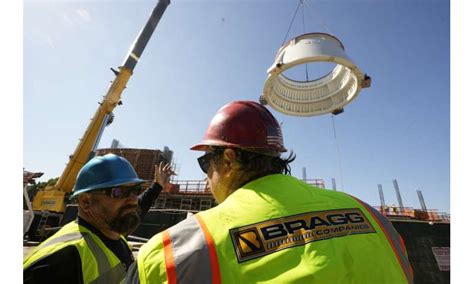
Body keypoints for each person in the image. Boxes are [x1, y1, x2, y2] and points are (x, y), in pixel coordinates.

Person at [126, 101, 414, 283]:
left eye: (205, 163)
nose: (206, 179)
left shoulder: (172, 252)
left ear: (228, 159)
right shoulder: (374, 219)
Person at [24, 153, 175, 283]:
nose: (133, 200)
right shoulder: (60, 261)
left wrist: (157, 185)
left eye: (135, 190)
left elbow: (137, 208)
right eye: (118, 192)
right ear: (85, 202)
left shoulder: (113, 231)